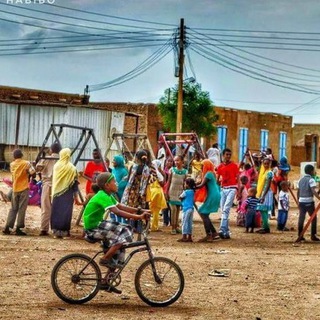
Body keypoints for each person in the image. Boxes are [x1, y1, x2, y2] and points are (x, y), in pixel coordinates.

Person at [83, 172, 150, 271]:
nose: (117, 184)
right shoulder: (102, 196)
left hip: (98, 224)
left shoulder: (107, 195)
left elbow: (121, 206)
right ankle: (105, 259)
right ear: (107, 185)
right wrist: (139, 217)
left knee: (121, 242)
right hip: (93, 227)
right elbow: (117, 211)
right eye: (114, 182)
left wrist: (140, 210)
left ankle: (107, 280)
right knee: (123, 235)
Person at [3, 149, 35, 235]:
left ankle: (8, 227)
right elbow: (33, 172)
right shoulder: (26, 163)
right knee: (22, 209)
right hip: (24, 188)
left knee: (13, 208)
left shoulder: (12, 164)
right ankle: (19, 228)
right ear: (22, 155)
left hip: (15, 189)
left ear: (14, 156)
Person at [51, 148, 82, 238]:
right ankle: (65, 232)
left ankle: (56, 232)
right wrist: (76, 198)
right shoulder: (72, 168)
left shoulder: (56, 166)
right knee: (66, 212)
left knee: (56, 211)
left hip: (56, 193)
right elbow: (74, 184)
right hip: (67, 194)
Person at [35, 142, 61, 236]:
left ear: (51, 150)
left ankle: (44, 229)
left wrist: (40, 160)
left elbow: (37, 168)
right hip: (58, 186)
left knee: (46, 207)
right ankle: (57, 229)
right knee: (57, 208)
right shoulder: (62, 160)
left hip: (47, 184)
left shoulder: (46, 158)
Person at [216, 148, 239, 239]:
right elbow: (217, 180)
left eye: (230, 154)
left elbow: (238, 178)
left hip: (232, 188)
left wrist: (239, 190)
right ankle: (226, 232)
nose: (228, 156)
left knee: (226, 209)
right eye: (227, 154)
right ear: (223, 155)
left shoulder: (234, 166)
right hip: (223, 189)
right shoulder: (220, 167)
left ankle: (222, 229)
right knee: (223, 210)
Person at [196, 159, 221, 242]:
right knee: (204, 214)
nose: (202, 167)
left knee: (203, 213)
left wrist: (192, 187)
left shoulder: (208, 174)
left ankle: (209, 235)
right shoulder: (211, 174)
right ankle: (214, 233)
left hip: (213, 195)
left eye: (203, 166)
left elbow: (201, 185)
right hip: (214, 194)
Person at [297, 164, 320, 242]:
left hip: (301, 201)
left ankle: (300, 234)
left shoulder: (300, 180)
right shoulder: (311, 180)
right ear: (311, 171)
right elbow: (313, 192)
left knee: (301, 218)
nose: (314, 172)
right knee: (313, 218)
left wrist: (298, 200)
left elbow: (298, 191)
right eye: (313, 170)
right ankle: (313, 235)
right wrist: (319, 198)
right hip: (309, 202)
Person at [166, 155, 188, 235]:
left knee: (178, 210)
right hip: (172, 192)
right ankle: (173, 228)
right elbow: (169, 181)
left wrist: (184, 193)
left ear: (182, 161)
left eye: (178, 160)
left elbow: (185, 183)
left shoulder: (185, 172)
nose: (176, 162)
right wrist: (166, 192)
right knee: (173, 210)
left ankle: (176, 227)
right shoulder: (172, 170)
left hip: (180, 192)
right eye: (175, 161)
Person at [256, 158, 273, 234]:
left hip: (266, 193)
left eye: (267, 163)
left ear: (269, 164)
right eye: (264, 163)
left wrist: (263, 196)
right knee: (262, 210)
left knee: (263, 210)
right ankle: (265, 227)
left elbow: (268, 185)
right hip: (262, 192)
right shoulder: (262, 172)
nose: (266, 165)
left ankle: (266, 228)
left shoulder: (269, 173)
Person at [149, 159, 167, 232]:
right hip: (157, 192)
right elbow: (162, 183)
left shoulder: (148, 172)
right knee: (156, 210)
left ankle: (148, 225)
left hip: (150, 192)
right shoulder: (157, 173)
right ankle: (154, 227)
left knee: (149, 209)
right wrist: (164, 175)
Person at [177, 177, 196, 242]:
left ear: (187, 185)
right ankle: (189, 237)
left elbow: (180, 197)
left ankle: (184, 236)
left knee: (184, 222)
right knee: (189, 223)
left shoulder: (186, 192)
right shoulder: (193, 191)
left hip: (186, 209)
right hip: (191, 209)